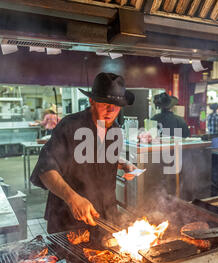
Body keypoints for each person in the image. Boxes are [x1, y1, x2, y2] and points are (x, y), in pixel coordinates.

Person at [30, 73, 137, 233]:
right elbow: (46, 169)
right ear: (92, 101)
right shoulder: (70, 126)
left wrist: (123, 162)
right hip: (68, 219)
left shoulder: (115, 130)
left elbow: (98, 156)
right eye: (105, 103)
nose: (111, 109)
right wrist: (73, 199)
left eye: (117, 104)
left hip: (106, 216)